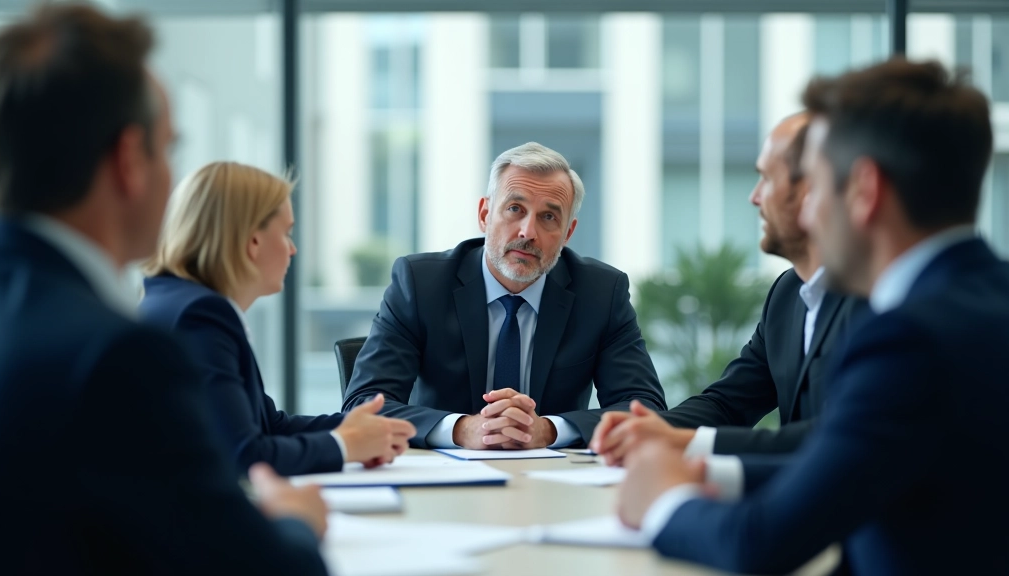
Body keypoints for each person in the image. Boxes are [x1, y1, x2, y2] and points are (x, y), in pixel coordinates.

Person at [617, 59, 1009, 574]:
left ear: (865, 191)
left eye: (817, 186)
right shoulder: (984, 302)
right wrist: (712, 472)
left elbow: (759, 543)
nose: (806, 213)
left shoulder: (909, 340)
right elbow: (865, 469)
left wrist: (664, 502)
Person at [0, 5, 328, 574]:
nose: (174, 178)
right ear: (129, 161)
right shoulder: (116, 356)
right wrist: (295, 520)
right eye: (169, 147)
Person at [591, 114, 864, 483]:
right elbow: (728, 403)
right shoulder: (787, 294)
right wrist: (649, 430)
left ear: (809, 191)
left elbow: (838, 436)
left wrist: (686, 443)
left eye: (767, 179)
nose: (754, 197)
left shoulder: (872, 299)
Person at [343, 142, 667, 449]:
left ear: (567, 233)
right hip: (443, 475)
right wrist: (461, 429)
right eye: (515, 208)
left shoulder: (601, 293)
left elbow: (645, 409)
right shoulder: (420, 284)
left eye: (549, 217)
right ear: (485, 214)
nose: (528, 232)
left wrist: (549, 430)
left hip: (553, 476)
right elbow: (363, 404)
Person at [140, 161, 416, 476]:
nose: (293, 249)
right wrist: (346, 445)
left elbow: (269, 425)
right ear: (252, 241)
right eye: (286, 233)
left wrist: (360, 428)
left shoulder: (180, 302)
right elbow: (245, 455)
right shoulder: (201, 316)